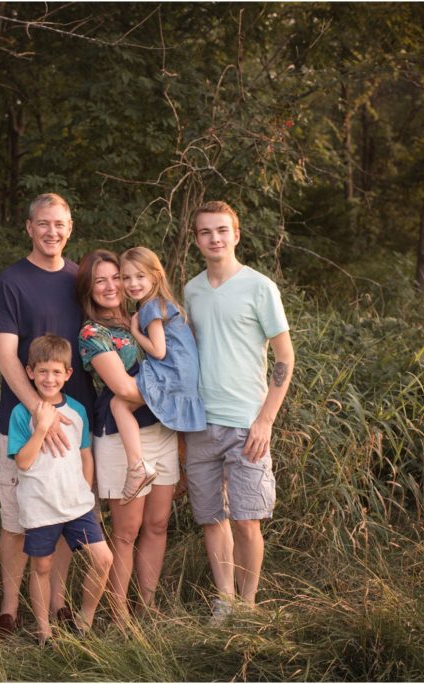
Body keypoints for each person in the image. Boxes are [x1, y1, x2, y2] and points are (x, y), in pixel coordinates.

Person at [0, 193, 97, 635]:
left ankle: (57, 603)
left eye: (60, 224)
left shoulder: (80, 280)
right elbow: (5, 356)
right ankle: (10, 607)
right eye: (43, 224)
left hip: (74, 420)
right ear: (29, 228)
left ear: (70, 227)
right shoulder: (11, 282)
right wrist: (39, 411)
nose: (52, 232)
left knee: (66, 509)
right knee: (17, 519)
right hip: (22, 419)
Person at [182, 200, 294, 623]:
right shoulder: (192, 291)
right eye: (206, 232)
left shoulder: (259, 287)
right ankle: (224, 600)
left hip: (247, 423)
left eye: (222, 230)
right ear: (197, 239)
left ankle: (248, 604)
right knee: (212, 518)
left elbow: (285, 356)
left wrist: (265, 420)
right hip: (200, 423)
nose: (215, 238)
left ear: (236, 234)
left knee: (248, 519)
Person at [76, 249, 179, 625]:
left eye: (116, 277)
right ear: (89, 288)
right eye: (100, 280)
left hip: (163, 429)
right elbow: (122, 387)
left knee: (157, 524)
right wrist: (177, 389)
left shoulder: (147, 315)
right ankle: (120, 617)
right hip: (121, 436)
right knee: (126, 531)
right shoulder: (93, 333)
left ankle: (146, 609)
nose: (111, 286)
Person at [8, 335, 113, 645]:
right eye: (42, 371)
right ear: (29, 372)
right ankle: (44, 632)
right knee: (42, 566)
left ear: (68, 374)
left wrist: (87, 494)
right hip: (40, 505)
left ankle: (84, 622)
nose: (49, 378)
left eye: (56, 372)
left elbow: (84, 454)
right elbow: (24, 463)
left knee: (103, 559)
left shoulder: (78, 410)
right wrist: (41, 426)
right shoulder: (20, 413)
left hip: (76, 502)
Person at [110, 246, 206, 504]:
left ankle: (137, 467)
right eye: (126, 277)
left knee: (118, 403)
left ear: (155, 276)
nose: (132, 284)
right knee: (175, 428)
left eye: (140, 276)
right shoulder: (165, 304)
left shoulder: (151, 308)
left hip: (171, 372)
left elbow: (159, 351)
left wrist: (135, 330)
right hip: (184, 375)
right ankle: (184, 475)